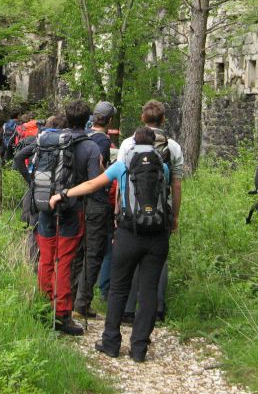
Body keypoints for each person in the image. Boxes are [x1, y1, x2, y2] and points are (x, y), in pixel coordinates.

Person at [51, 124, 180, 362]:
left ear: (133, 144)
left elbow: (92, 185)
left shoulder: (123, 165)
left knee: (119, 289)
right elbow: (170, 194)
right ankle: (139, 348)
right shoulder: (163, 167)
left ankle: (111, 342)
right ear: (154, 144)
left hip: (128, 234)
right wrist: (174, 220)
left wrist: (64, 194)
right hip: (157, 236)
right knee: (148, 290)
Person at [34, 101, 102, 336]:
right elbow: (95, 185)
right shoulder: (90, 148)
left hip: (45, 207)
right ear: (87, 120)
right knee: (64, 262)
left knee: (46, 259)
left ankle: (44, 307)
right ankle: (62, 313)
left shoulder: (51, 141)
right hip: (72, 211)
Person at [117, 100, 183, 324]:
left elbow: (121, 181)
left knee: (132, 258)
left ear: (142, 118)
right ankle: (157, 309)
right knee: (158, 260)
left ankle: (127, 310)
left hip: (132, 212)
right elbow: (176, 184)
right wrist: (174, 215)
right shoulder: (172, 147)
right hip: (160, 211)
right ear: (163, 119)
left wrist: (118, 210)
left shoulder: (128, 144)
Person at [74, 101, 116, 318]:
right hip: (95, 202)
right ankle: (82, 303)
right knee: (93, 253)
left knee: (78, 251)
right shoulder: (101, 140)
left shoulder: (83, 136)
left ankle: (73, 299)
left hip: (77, 200)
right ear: (109, 121)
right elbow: (98, 170)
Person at [13, 115, 60, 271]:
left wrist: (29, 180)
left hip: (36, 187)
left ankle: (33, 263)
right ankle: (49, 264)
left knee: (33, 226)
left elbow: (19, 157)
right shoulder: (63, 143)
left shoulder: (38, 141)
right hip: (55, 190)